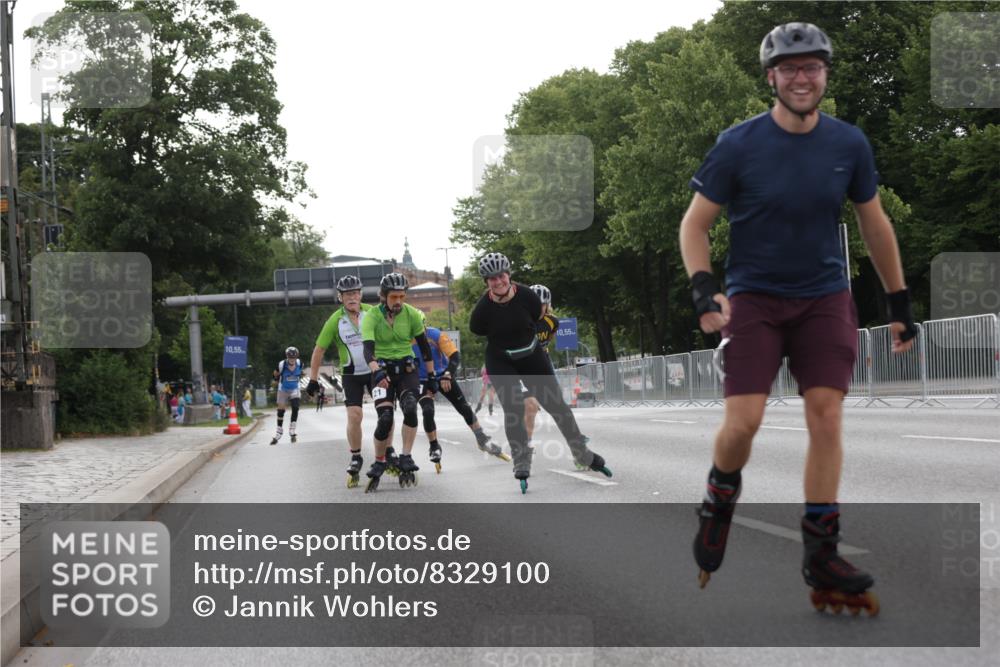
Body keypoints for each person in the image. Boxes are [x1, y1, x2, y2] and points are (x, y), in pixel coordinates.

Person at [680, 23, 917, 615]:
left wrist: (899, 303)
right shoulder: (738, 145)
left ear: (825, 74)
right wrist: (705, 290)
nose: (802, 77)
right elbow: (695, 224)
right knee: (744, 423)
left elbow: (874, 223)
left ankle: (822, 551)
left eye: (812, 67)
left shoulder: (848, 145)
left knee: (826, 412)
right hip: (756, 299)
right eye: (790, 68)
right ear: (771, 77)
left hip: (824, 298)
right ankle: (719, 499)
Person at [469, 252, 611, 493]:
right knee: (514, 408)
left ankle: (582, 453)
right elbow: (479, 330)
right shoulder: (481, 311)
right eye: (491, 279)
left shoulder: (528, 297)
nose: (498, 281)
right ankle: (521, 459)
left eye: (501, 276)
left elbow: (536, 318)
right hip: (501, 360)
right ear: (486, 282)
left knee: (558, 407)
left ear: (509, 275)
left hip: (531, 355)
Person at [359, 272, 436, 492]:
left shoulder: (411, 314)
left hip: (406, 370)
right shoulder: (372, 316)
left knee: (411, 407)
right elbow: (367, 349)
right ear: (384, 296)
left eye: (402, 296)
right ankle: (380, 459)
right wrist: (376, 372)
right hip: (381, 369)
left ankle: (406, 456)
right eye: (394, 297)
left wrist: (431, 378)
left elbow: (424, 348)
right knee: (385, 418)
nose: (399, 301)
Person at [308, 274, 384, 487]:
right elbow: (319, 349)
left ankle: (387, 452)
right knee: (354, 415)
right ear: (340, 297)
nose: (352, 297)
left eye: (355, 293)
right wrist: (313, 380)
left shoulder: (372, 312)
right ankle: (356, 456)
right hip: (351, 375)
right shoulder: (335, 320)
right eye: (347, 294)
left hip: (374, 371)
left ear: (361, 295)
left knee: (384, 412)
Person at [412, 325, 509, 473]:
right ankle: (434, 447)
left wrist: (448, 374)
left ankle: (481, 438)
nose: (418, 332)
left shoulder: (436, 335)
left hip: (442, 375)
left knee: (463, 407)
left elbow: (455, 356)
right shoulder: (404, 337)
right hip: (423, 380)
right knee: (427, 410)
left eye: (421, 328)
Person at [523, 284, 561, 446]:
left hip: (543, 362)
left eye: (542, 305)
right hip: (523, 365)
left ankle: (575, 441)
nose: (538, 309)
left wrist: (543, 349)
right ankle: (526, 442)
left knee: (557, 404)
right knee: (531, 406)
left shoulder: (552, 322)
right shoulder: (521, 321)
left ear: (548, 305)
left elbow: (550, 337)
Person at [270, 346, 303, 445]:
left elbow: (299, 372)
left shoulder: (299, 363)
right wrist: (276, 379)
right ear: (287, 357)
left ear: (296, 357)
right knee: (281, 410)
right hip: (283, 389)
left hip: (294, 388)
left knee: (296, 407)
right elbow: (275, 374)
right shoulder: (282, 364)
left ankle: (292, 429)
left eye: (294, 358)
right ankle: (279, 431)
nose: (292, 360)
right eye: (290, 358)